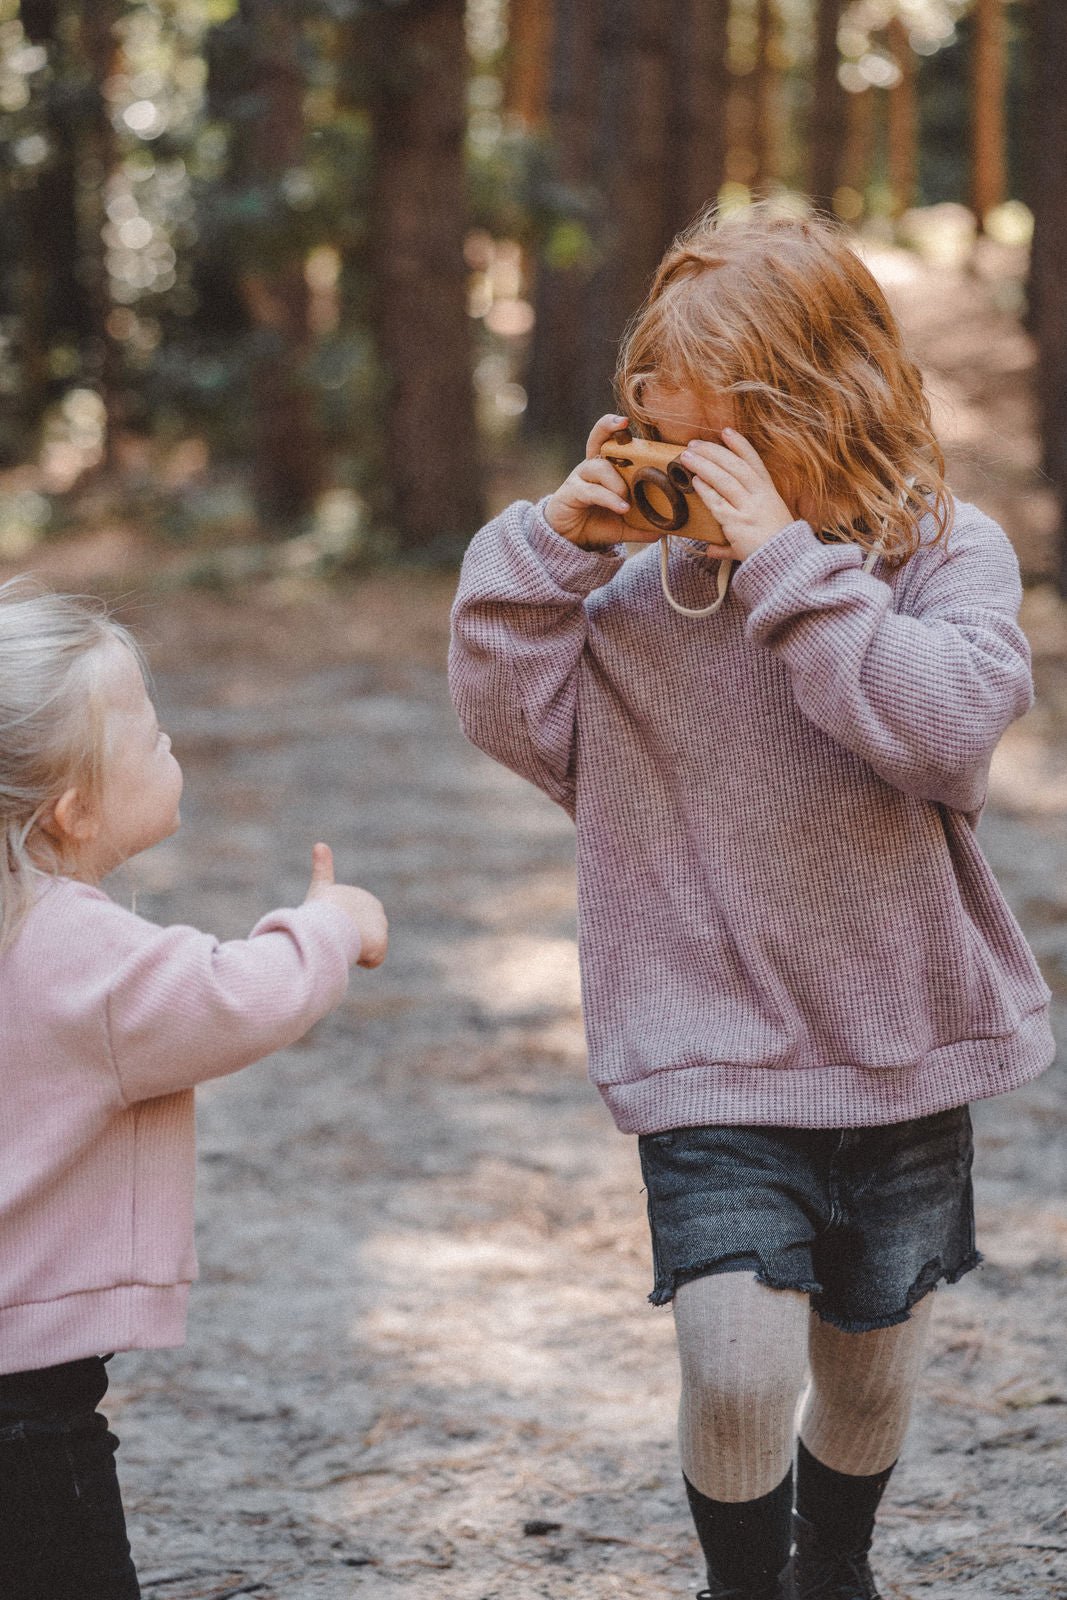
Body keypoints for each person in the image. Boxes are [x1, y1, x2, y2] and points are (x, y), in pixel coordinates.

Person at [448, 205, 1055, 1600]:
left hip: (892, 1041)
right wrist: (550, 544)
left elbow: (939, 727)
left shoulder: (938, 557)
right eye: (663, 431)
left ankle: (831, 1564)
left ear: (821, 412)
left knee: (865, 1365)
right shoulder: (640, 600)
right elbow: (506, 711)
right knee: (734, 1371)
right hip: (704, 1045)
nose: (691, 479)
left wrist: (787, 566)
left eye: (718, 447)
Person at [0, 578, 388, 1600]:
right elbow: (239, 995)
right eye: (151, 732)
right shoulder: (73, 950)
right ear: (75, 809)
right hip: (26, 1414)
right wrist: (331, 923)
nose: (172, 744)